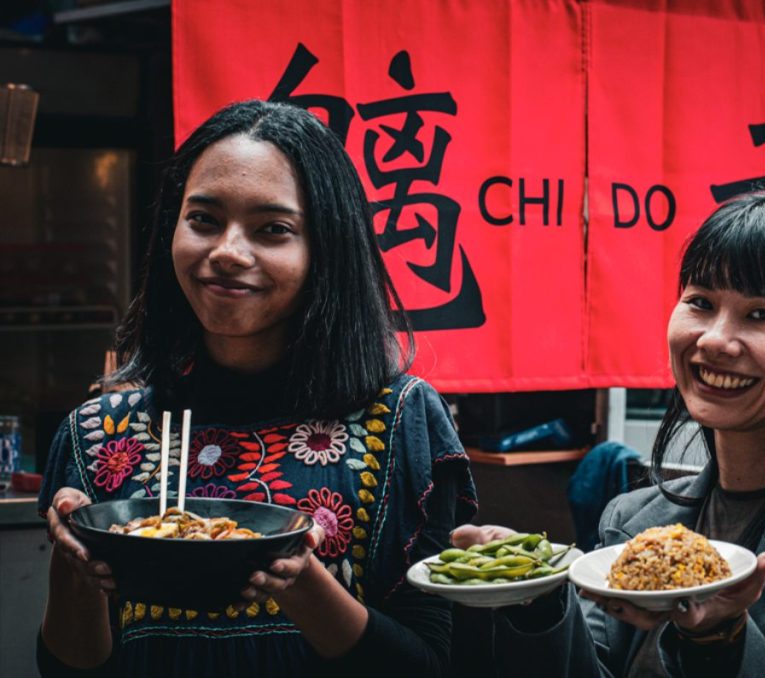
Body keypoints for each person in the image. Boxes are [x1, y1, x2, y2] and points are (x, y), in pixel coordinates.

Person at [454, 188, 765, 676]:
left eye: (761, 314)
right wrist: (537, 590)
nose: (716, 339)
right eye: (700, 301)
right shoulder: (633, 520)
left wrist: (720, 636)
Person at [38, 100, 476, 677]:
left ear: (326, 249)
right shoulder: (99, 433)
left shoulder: (399, 421)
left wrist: (301, 582)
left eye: (273, 229)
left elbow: (433, 663)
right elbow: (68, 670)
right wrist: (75, 567)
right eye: (203, 219)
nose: (227, 252)